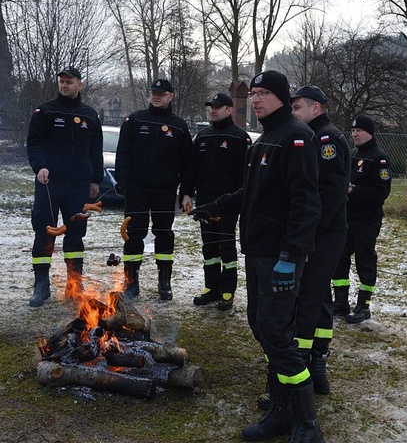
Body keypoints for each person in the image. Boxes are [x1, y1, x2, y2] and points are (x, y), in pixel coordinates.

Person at [191, 71, 325, 442]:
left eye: (264, 93)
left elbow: (307, 204)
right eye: (253, 93)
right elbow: (249, 193)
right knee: (262, 328)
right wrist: (212, 206)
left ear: (282, 97)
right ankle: (281, 411)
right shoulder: (264, 139)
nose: (256, 99)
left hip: (280, 256)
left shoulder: (298, 138)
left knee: (278, 336)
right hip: (258, 250)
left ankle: (308, 424)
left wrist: (290, 255)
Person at [289, 85, 350, 394]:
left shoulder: (327, 139)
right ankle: (317, 363)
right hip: (321, 231)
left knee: (309, 297)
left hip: (325, 232)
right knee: (320, 296)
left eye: (298, 108)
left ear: (316, 108)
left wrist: (309, 231)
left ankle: (305, 365)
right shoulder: (313, 136)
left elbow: (332, 192)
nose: (293, 113)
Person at [26, 66, 104, 307]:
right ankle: (42, 285)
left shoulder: (90, 115)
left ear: (79, 84)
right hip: (50, 184)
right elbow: (34, 143)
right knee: (45, 232)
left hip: (79, 185)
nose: (64, 85)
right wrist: (40, 167)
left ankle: (74, 284)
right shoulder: (45, 111)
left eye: (69, 82)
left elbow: (95, 151)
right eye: (61, 81)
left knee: (76, 234)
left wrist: (95, 180)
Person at [114, 78, 192, 301]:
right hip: (137, 189)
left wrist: (186, 190)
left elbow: (188, 163)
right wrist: (122, 180)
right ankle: (131, 282)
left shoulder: (179, 126)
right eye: (153, 92)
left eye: (161, 93)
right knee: (133, 234)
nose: (156, 96)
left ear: (170, 97)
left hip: (165, 190)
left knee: (164, 235)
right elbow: (123, 153)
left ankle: (164, 283)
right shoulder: (135, 120)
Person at [183, 92, 251, 311]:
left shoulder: (240, 137)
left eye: (218, 107)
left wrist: (238, 200)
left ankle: (227, 290)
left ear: (230, 110)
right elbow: (191, 168)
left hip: (228, 203)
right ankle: (211, 287)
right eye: (211, 106)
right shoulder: (203, 135)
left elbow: (245, 175)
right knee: (209, 247)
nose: (213, 110)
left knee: (227, 247)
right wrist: (186, 192)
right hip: (204, 200)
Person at [332, 115, 391, 324]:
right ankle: (339, 303)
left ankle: (363, 305)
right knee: (339, 259)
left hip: (367, 221)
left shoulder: (379, 159)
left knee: (365, 261)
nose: (355, 134)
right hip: (346, 218)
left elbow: (381, 193)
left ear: (370, 133)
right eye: (353, 131)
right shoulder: (352, 154)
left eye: (359, 131)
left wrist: (353, 191)